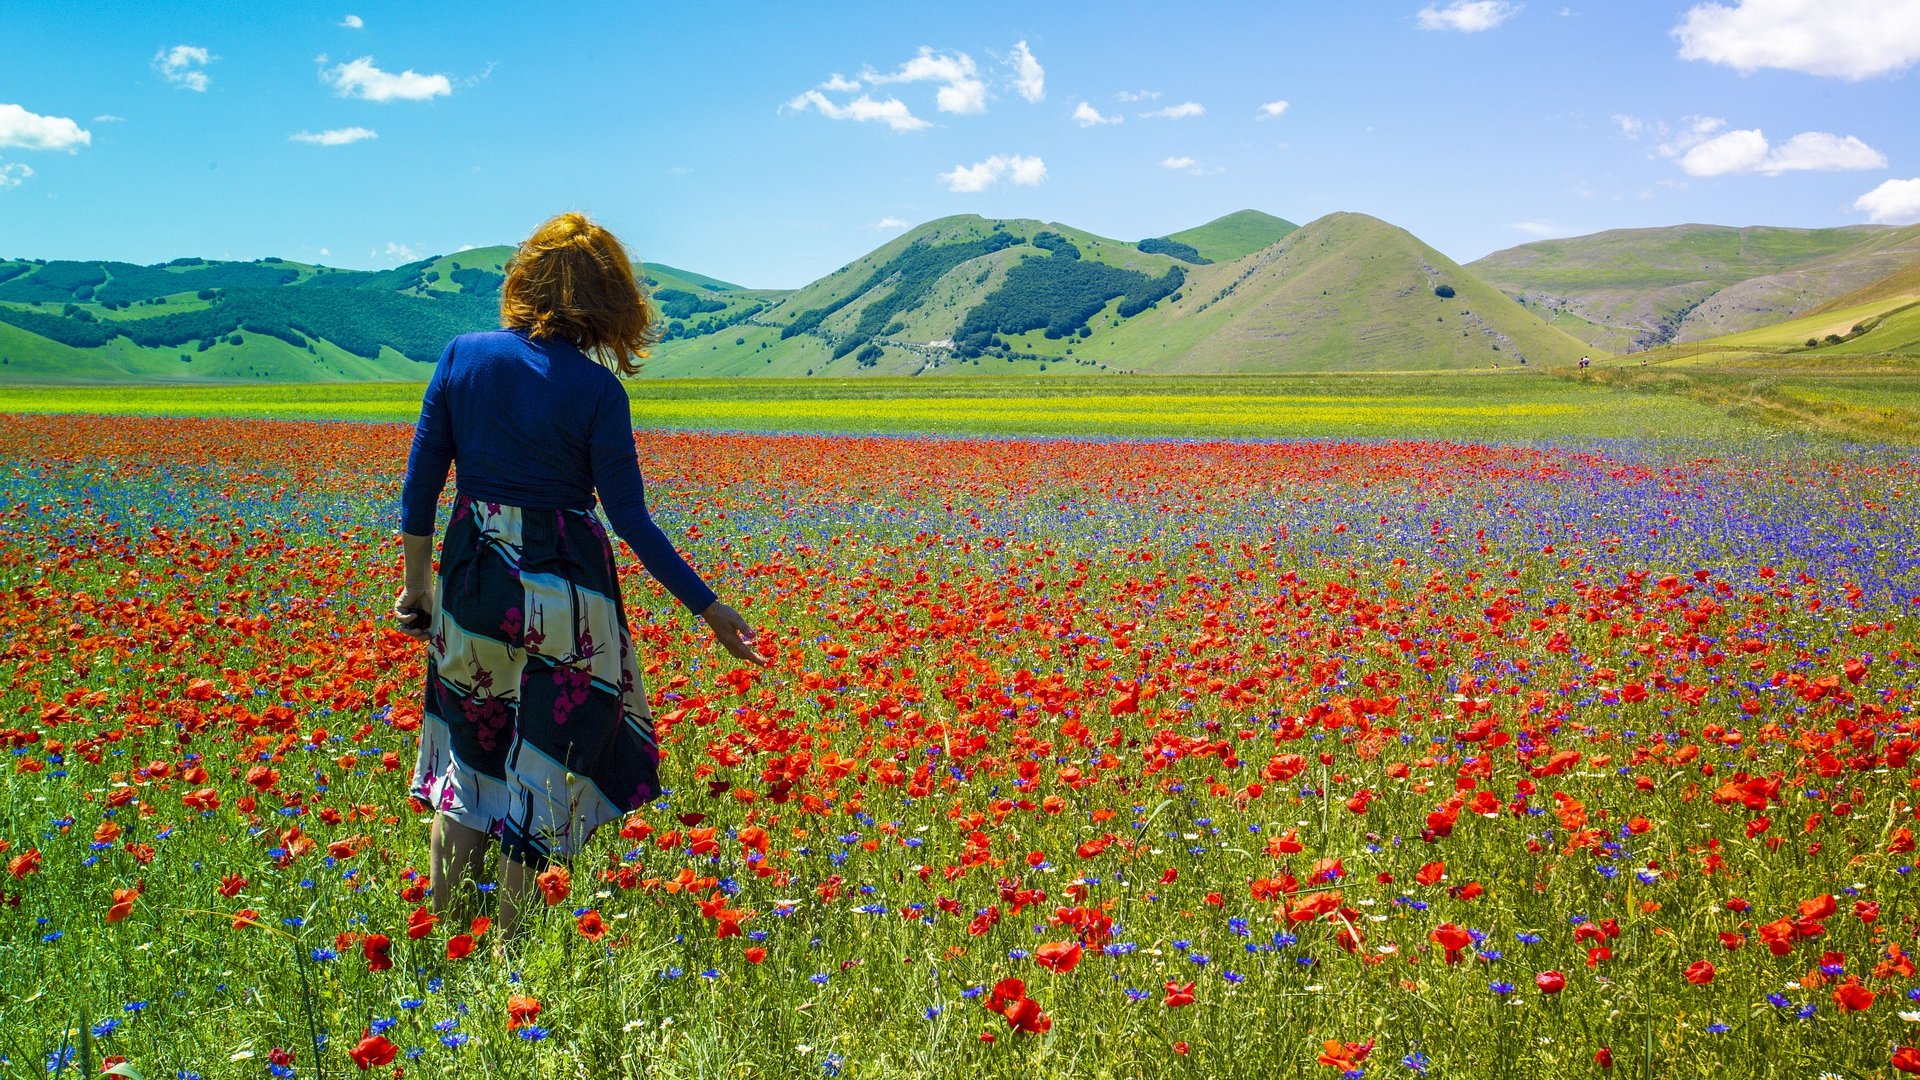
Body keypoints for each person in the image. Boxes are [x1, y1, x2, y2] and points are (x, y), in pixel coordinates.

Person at [393, 211, 767, 935]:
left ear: (523, 280)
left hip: (474, 581)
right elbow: (632, 522)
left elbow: (420, 490)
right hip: (566, 596)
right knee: (544, 766)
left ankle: (440, 942)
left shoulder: (461, 357)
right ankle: (509, 949)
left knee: (469, 759)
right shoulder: (598, 393)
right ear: (607, 302)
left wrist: (417, 587)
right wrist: (710, 607)